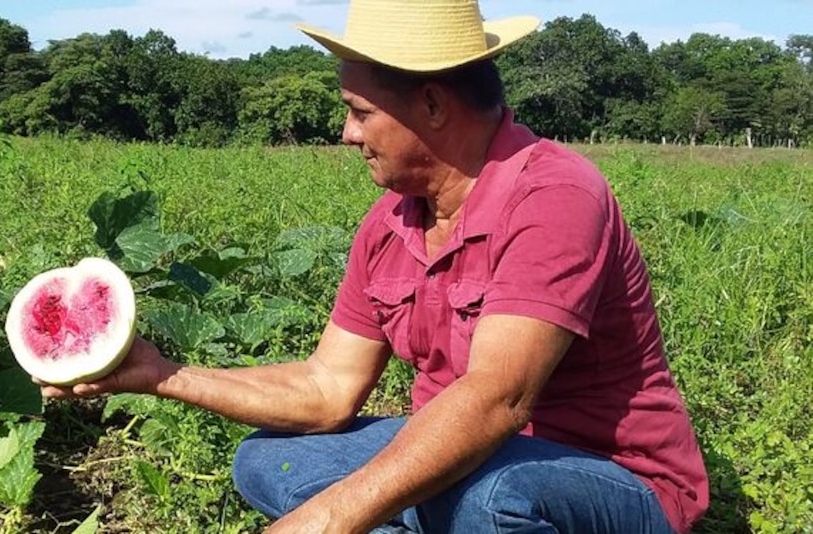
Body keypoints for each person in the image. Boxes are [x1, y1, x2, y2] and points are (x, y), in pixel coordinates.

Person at [38, 0, 710, 532]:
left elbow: (497, 401)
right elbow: (328, 388)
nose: (347, 133)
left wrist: (326, 518)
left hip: (605, 476)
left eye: (360, 112)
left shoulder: (553, 195)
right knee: (269, 460)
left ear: (434, 106)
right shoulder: (390, 223)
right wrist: (161, 374)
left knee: (492, 497)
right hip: (470, 456)